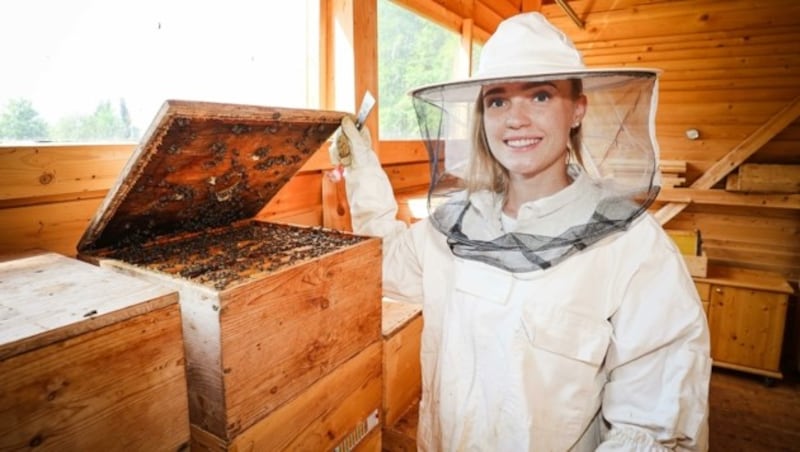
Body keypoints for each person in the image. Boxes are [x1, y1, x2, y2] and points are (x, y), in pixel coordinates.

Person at [330, 12, 711, 451]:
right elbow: (387, 262)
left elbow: (655, 426)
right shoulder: (454, 227)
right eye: (497, 100)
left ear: (577, 109)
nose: (515, 119)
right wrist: (361, 168)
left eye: (540, 96)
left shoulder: (635, 248)